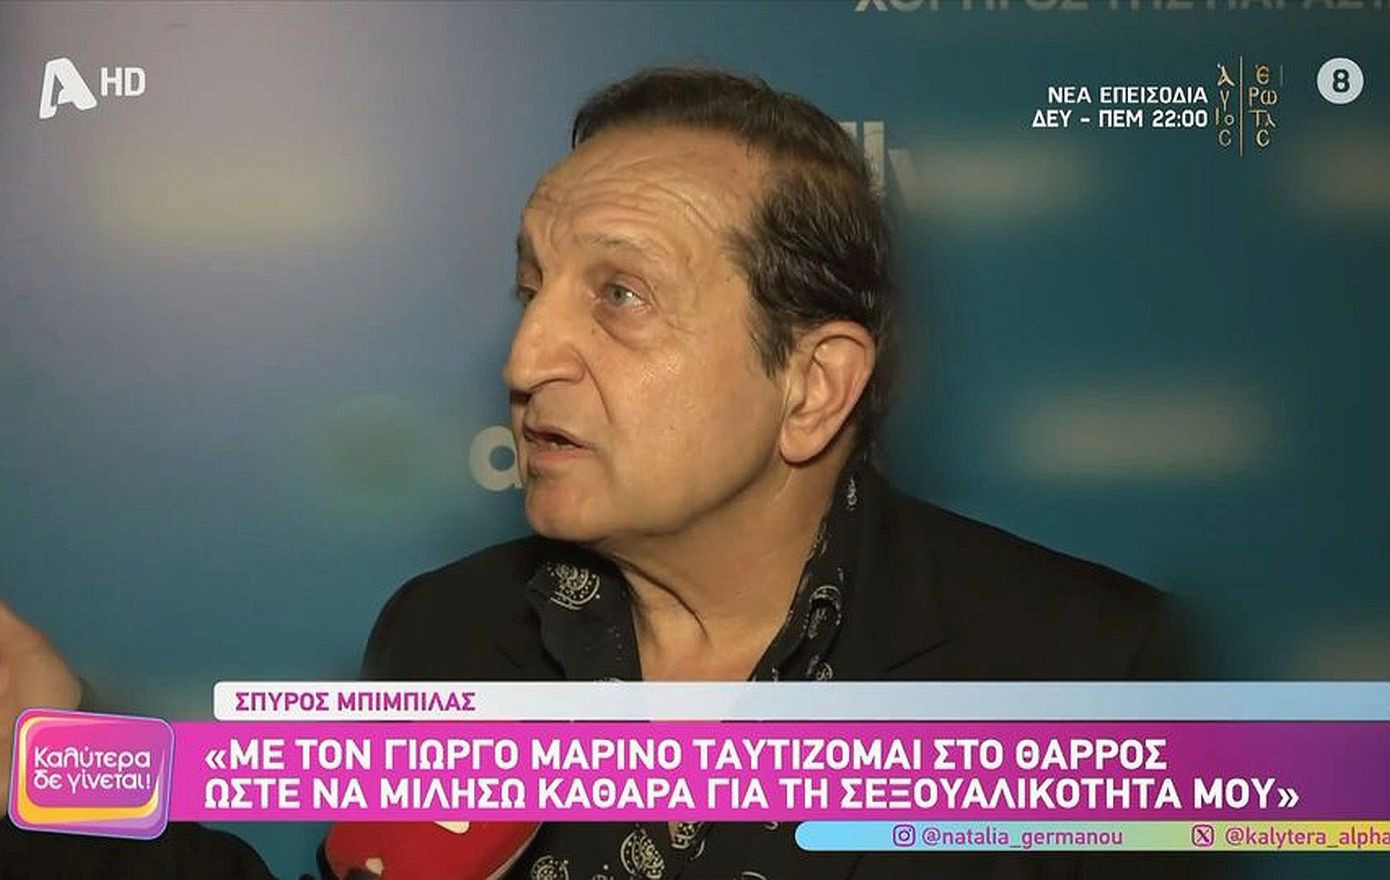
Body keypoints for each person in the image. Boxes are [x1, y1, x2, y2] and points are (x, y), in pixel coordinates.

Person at [0, 67, 1202, 880]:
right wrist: (60, 774)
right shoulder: (449, 635)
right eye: (530, 290)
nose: (524, 358)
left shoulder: (1098, 676)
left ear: (811, 385)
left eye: (619, 295)